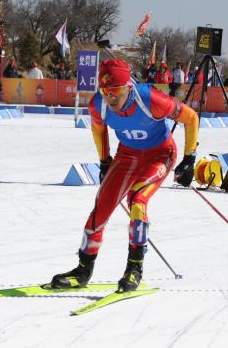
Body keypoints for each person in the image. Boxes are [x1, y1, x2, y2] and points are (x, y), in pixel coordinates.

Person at [50, 59, 199, 293]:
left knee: (137, 200)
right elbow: (98, 131)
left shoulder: (150, 99)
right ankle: (83, 270)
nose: (110, 97)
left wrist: (190, 158)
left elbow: (191, 118)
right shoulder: (98, 105)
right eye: (105, 91)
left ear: (128, 87)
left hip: (160, 154)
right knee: (101, 208)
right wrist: (104, 161)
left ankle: (134, 267)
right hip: (127, 156)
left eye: (116, 91)